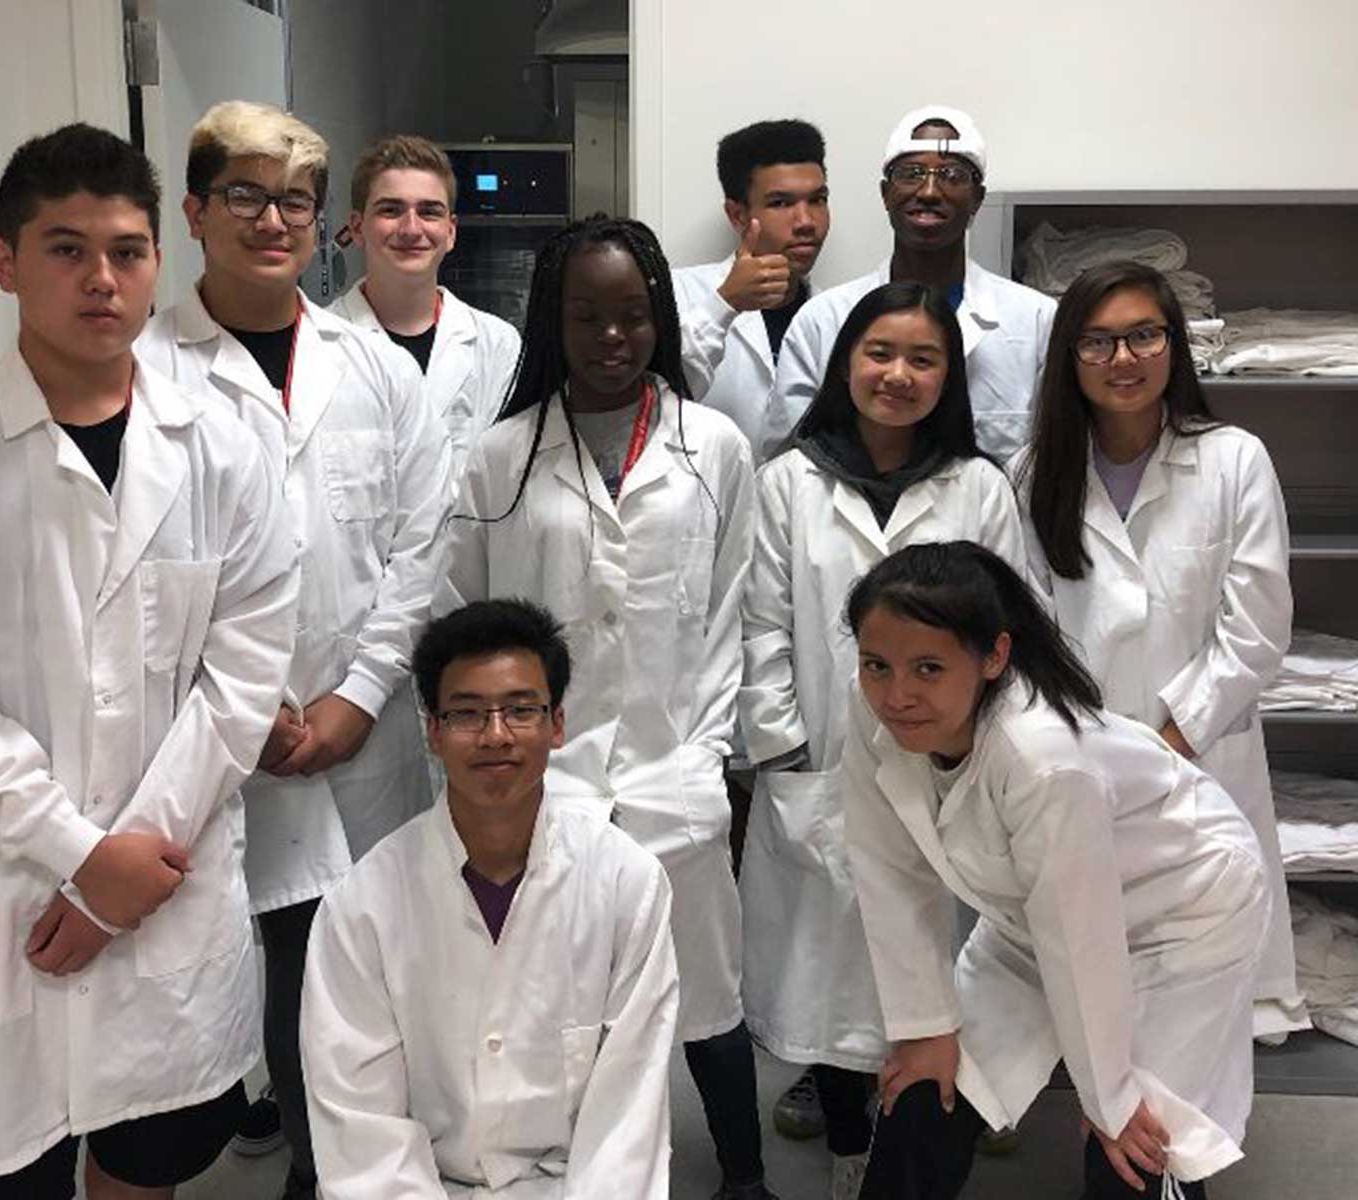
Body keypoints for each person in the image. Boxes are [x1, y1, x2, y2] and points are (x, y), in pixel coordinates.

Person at [0, 123, 297, 1198]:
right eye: (65, 248)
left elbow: (242, 679)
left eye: (128, 251)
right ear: (5, 263)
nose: (102, 279)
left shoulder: (229, 446)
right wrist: (78, 853)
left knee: (153, 1159)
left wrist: (121, 873)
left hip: (164, 881)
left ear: (157, 265)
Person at [137, 101, 451, 1199]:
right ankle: (315, 1173)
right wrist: (251, 713)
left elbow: (421, 544)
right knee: (271, 972)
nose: (272, 220)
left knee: (372, 971)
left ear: (322, 224)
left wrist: (360, 696)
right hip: (224, 742)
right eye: (244, 195)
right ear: (194, 211)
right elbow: (137, 577)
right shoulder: (145, 373)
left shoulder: (373, 368)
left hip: (362, 737)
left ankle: (363, 1170)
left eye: (295, 202)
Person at [438, 215, 772, 1199]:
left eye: (633, 314)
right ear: (554, 321)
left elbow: (731, 611)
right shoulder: (498, 460)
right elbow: (461, 617)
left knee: (709, 997)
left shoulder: (712, 447)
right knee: (550, 1004)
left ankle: (744, 1177)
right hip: (546, 790)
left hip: (674, 777)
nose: (613, 336)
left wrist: (707, 758)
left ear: (661, 317)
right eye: (588, 316)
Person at [841, 541, 1268, 1200]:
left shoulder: (1042, 759)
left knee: (1135, 1140)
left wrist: (1110, 1098)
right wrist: (925, 1026)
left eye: (928, 668)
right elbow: (887, 868)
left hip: (1184, 912)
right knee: (927, 1092)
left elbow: (1082, 939)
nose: (897, 694)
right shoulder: (874, 710)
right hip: (1035, 921)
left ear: (994, 657)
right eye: (877, 665)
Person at [738, 283, 1025, 1196]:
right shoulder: (789, 478)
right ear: (844, 364)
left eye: (923, 359)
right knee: (828, 975)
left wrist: (972, 756)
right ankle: (847, 1140)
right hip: (822, 762)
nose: (897, 375)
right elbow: (759, 625)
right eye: (879, 354)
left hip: (949, 771)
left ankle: (926, 1138)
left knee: (937, 966)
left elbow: (1003, 625)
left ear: (949, 377)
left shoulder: (976, 486)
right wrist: (785, 753)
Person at [1015, 260, 1305, 1042]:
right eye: (1099, 341)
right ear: (1068, 358)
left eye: (1145, 335)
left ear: (1174, 345)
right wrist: (1099, 752)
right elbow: (1031, 629)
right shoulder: (1036, 473)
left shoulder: (1234, 459)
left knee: (1197, 995)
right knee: (1096, 991)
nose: (1124, 359)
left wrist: (1168, 748)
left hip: (1201, 762)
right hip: (1082, 762)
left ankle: (1176, 1158)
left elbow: (1255, 631)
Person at [301, 599, 679, 1198]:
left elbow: (626, 1119)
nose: (496, 735)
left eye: (521, 710)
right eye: (468, 714)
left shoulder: (627, 884)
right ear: (433, 732)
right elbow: (362, 1133)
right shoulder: (361, 907)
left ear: (557, 724)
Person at [766, 106, 1054, 459]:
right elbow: (785, 462)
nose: (930, 191)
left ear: (977, 199)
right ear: (886, 194)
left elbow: (1052, 461)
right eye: (911, 173)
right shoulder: (823, 320)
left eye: (951, 175)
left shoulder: (1036, 320)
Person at [330, 134, 521, 484]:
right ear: (357, 228)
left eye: (429, 212)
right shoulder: (319, 344)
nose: (411, 228)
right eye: (391, 210)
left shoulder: (497, 346)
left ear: (450, 232)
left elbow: (507, 479)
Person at [674, 118, 830, 452]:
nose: (806, 222)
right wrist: (725, 304)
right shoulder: (679, 295)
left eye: (817, 199)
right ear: (738, 215)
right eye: (781, 203)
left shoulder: (837, 314)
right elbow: (647, 404)